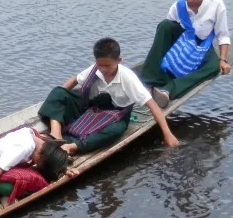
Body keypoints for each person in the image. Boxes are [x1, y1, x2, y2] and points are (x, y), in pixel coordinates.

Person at [38, 37, 180, 155]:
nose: (103, 69)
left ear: (118, 61)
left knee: (116, 130)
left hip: (117, 114)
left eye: (108, 66)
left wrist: (167, 134)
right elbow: (75, 79)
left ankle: (73, 146)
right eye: (100, 65)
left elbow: (152, 105)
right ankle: (57, 135)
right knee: (58, 92)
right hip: (92, 106)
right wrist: (60, 103)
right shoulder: (96, 68)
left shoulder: (127, 78)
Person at [140, 0, 232, 106]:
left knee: (214, 67)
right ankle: (150, 80)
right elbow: (167, 36)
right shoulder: (177, 7)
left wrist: (223, 59)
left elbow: (223, 35)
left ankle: (168, 90)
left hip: (202, 46)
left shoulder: (216, 4)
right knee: (165, 25)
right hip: (183, 42)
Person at [0, 126, 79, 209]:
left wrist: (65, 171)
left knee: (38, 175)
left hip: (4, 168)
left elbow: (51, 157)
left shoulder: (37, 139)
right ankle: (7, 194)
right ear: (40, 155)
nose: (36, 163)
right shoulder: (22, 148)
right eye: (38, 163)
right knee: (34, 181)